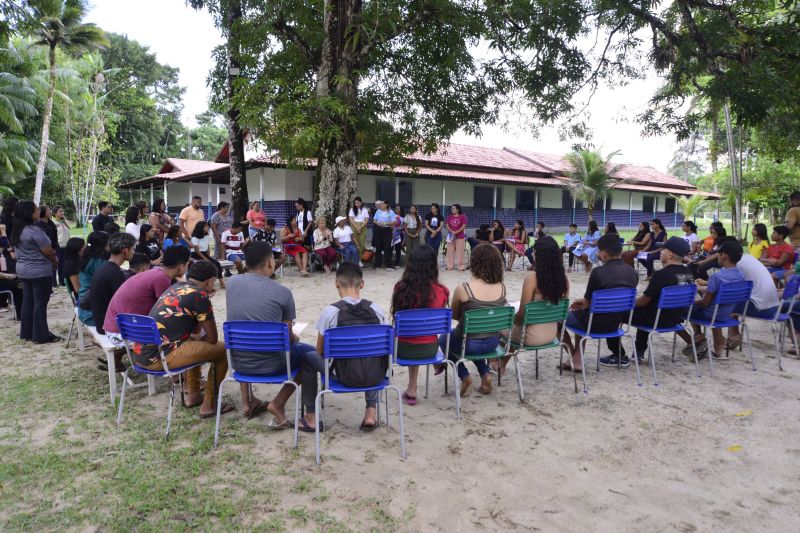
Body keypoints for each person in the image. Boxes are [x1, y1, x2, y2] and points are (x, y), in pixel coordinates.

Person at [225, 242, 320, 421]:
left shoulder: (232, 283)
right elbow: (288, 337)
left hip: (237, 361)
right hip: (274, 363)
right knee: (310, 355)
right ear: (270, 262)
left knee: (245, 332)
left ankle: (247, 402)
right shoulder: (283, 292)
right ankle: (279, 403)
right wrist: (296, 336)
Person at [130, 260, 232, 418]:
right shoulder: (199, 296)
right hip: (159, 358)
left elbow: (194, 333)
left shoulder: (175, 287)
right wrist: (205, 301)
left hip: (140, 355)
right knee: (224, 349)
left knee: (193, 342)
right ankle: (209, 404)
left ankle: (193, 395)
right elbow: (212, 339)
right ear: (210, 281)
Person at [300, 262, 388, 431]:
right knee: (373, 354)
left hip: (343, 375)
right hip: (375, 375)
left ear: (336, 284)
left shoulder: (330, 312)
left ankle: (311, 415)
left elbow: (320, 351)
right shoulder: (377, 310)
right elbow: (385, 349)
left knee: (307, 358)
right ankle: (371, 411)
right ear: (362, 284)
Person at [605, 237, 694, 367]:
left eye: (663, 249)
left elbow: (643, 301)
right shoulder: (688, 272)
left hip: (656, 320)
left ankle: (618, 355)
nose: (660, 252)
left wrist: (623, 304)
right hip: (675, 318)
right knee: (647, 310)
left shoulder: (661, 275)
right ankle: (639, 352)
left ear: (670, 255)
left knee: (613, 313)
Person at [562, 234, 638, 371]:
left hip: (595, 324)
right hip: (617, 323)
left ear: (603, 254)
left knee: (573, 314)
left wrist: (583, 303)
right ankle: (577, 358)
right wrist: (584, 302)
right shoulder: (632, 272)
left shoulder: (598, 272)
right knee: (583, 313)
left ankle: (576, 357)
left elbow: (587, 305)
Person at [440, 244, 507, 396]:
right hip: (492, 342)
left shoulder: (463, 288)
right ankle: (485, 374)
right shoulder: (502, 288)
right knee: (473, 334)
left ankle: (464, 376)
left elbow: (455, 316)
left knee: (444, 339)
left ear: (475, 263)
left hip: (468, 343)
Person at [390, 244, 449, 405]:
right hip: (429, 348)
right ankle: (416, 384)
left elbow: (396, 317)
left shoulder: (400, 288)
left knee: (407, 334)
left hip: (402, 348)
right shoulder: (442, 291)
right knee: (422, 333)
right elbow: (434, 322)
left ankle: (412, 389)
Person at [506, 236, 569, 372]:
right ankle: (499, 364)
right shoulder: (563, 280)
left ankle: (498, 364)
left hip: (529, 337)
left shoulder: (532, 280)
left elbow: (522, 316)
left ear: (538, 255)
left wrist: (510, 320)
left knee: (500, 324)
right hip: (552, 334)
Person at [677, 240, 746, 358]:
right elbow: (718, 292)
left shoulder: (717, 276)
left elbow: (705, 303)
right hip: (727, 314)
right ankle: (717, 342)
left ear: (724, 255)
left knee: (685, 307)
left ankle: (698, 336)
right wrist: (702, 287)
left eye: (718, 254)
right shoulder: (741, 275)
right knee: (697, 305)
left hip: (711, 315)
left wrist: (690, 302)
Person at [103, 245, 191, 336]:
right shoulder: (162, 279)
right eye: (187, 264)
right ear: (181, 266)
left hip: (116, 328)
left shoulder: (156, 272)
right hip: (122, 333)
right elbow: (167, 310)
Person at [11, 201, 59, 343]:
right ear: (29, 213)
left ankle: (26, 332)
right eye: (36, 210)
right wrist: (55, 261)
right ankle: (40, 335)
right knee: (40, 302)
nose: (39, 212)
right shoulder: (35, 231)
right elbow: (47, 250)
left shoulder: (17, 230)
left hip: (23, 270)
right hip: (39, 271)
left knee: (28, 301)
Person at [724, 241, 781, 350]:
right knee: (733, 299)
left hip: (762, 308)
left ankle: (733, 335)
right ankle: (734, 333)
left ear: (725, 255)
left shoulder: (737, 264)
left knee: (726, 301)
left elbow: (724, 284)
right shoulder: (749, 258)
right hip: (774, 306)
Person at [89, 232, 136, 336]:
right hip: (107, 326)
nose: (134, 252)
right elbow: (122, 305)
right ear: (125, 250)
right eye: (132, 249)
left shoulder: (104, 267)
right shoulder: (114, 273)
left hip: (100, 321)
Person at [77, 231, 110, 327]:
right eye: (108, 242)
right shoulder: (99, 262)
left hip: (84, 298)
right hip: (90, 308)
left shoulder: (87, 257)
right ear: (103, 245)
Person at [191, 220, 225, 288]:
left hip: (204, 254)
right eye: (206, 226)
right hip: (196, 255)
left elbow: (207, 247)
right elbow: (197, 251)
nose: (208, 227)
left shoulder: (206, 236)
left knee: (217, 264)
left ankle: (221, 282)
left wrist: (208, 257)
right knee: (208, 265)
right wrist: (206, 259)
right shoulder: (195, 237)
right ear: (201, 228)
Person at [35, 205, 58, 287]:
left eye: (50, 210)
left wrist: (55, 248)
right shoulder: (38, 224)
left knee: (54, 265)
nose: (50, 212)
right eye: (48, 210)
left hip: (53, 247)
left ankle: (54, 282)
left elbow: (55, 236)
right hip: (44, 249)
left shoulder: (51, 223)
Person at [372, 200, 396, 270]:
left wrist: (385, 223)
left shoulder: (391, 212)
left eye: (382, 204)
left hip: (387, 230)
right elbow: (374, 220)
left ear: (386, 204)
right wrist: (377, 223)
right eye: (380, 204)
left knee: (387, 247)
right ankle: (377, 264)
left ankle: (388, 265)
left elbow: (394, 221)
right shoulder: (378, 211)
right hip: (378, 230)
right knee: (378, 247)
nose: (381, 205)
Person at [445, 204, 468, 271]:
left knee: (460, 251)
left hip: (460, 236)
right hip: (450, 236)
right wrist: (452, 231)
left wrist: (456, 231)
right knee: (449, 251)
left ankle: (461, 266)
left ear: (458, 209)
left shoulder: (463, 216)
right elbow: (447, 225)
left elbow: (464, 225)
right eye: (452, 208)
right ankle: (450, 266)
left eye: (453, 208)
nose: (452, 210)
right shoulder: (449, 217)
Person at [53, 205, 70, 287]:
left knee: (63, 264)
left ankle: (62, 280)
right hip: (58, 246)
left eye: (63, 211)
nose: (62, 213)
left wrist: (64, 220)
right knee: (57, 263)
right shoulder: (53, 222)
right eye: (60, 211)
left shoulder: (63, 222)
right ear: (55, 213)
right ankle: (54, 282)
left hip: (66, 245)